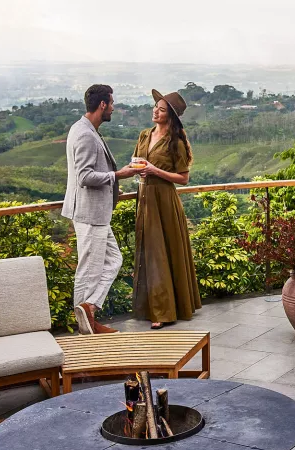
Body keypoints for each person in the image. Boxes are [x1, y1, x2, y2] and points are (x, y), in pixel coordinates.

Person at [61, 84, 139, 334]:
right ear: (102, 105)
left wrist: (112, 187)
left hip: (96, 212)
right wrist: (118, 175)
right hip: (90, 214)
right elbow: (85, 176)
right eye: (112, 103)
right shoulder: (84, 134)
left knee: (114, 260)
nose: (114, 108)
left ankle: (89, 308)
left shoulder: (82, 128)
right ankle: (86, 324)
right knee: (89, 269)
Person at [130, 89, 201, 329]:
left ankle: (164, 311)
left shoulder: (176, 143)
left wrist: (154, 170)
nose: (155, 111)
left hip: (164, 199)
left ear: (170, 115)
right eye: (155, 107)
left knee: (160, 253)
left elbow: (183, 179)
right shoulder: (144, 135)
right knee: (147, 252)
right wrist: (132, 170)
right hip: (145, 197)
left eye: (161, 109)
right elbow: (136, 162)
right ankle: (149, 307)